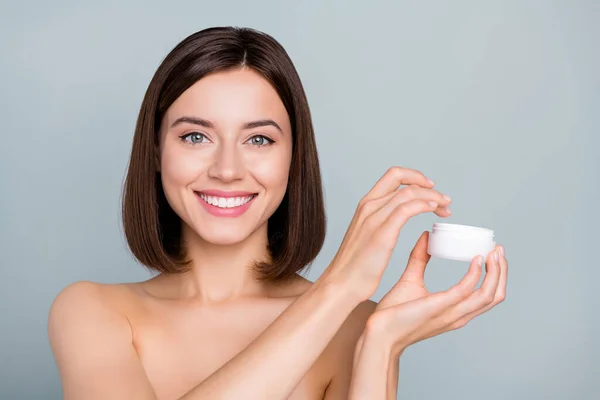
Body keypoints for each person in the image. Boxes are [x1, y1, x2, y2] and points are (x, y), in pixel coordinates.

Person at [48, 26, 508, 400]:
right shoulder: (93, 312)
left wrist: (380, 344)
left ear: (294, 157)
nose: (227, 170)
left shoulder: (353, 325)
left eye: (259, 139)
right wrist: (339, 287)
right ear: (155, 151)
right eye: (195, 136)